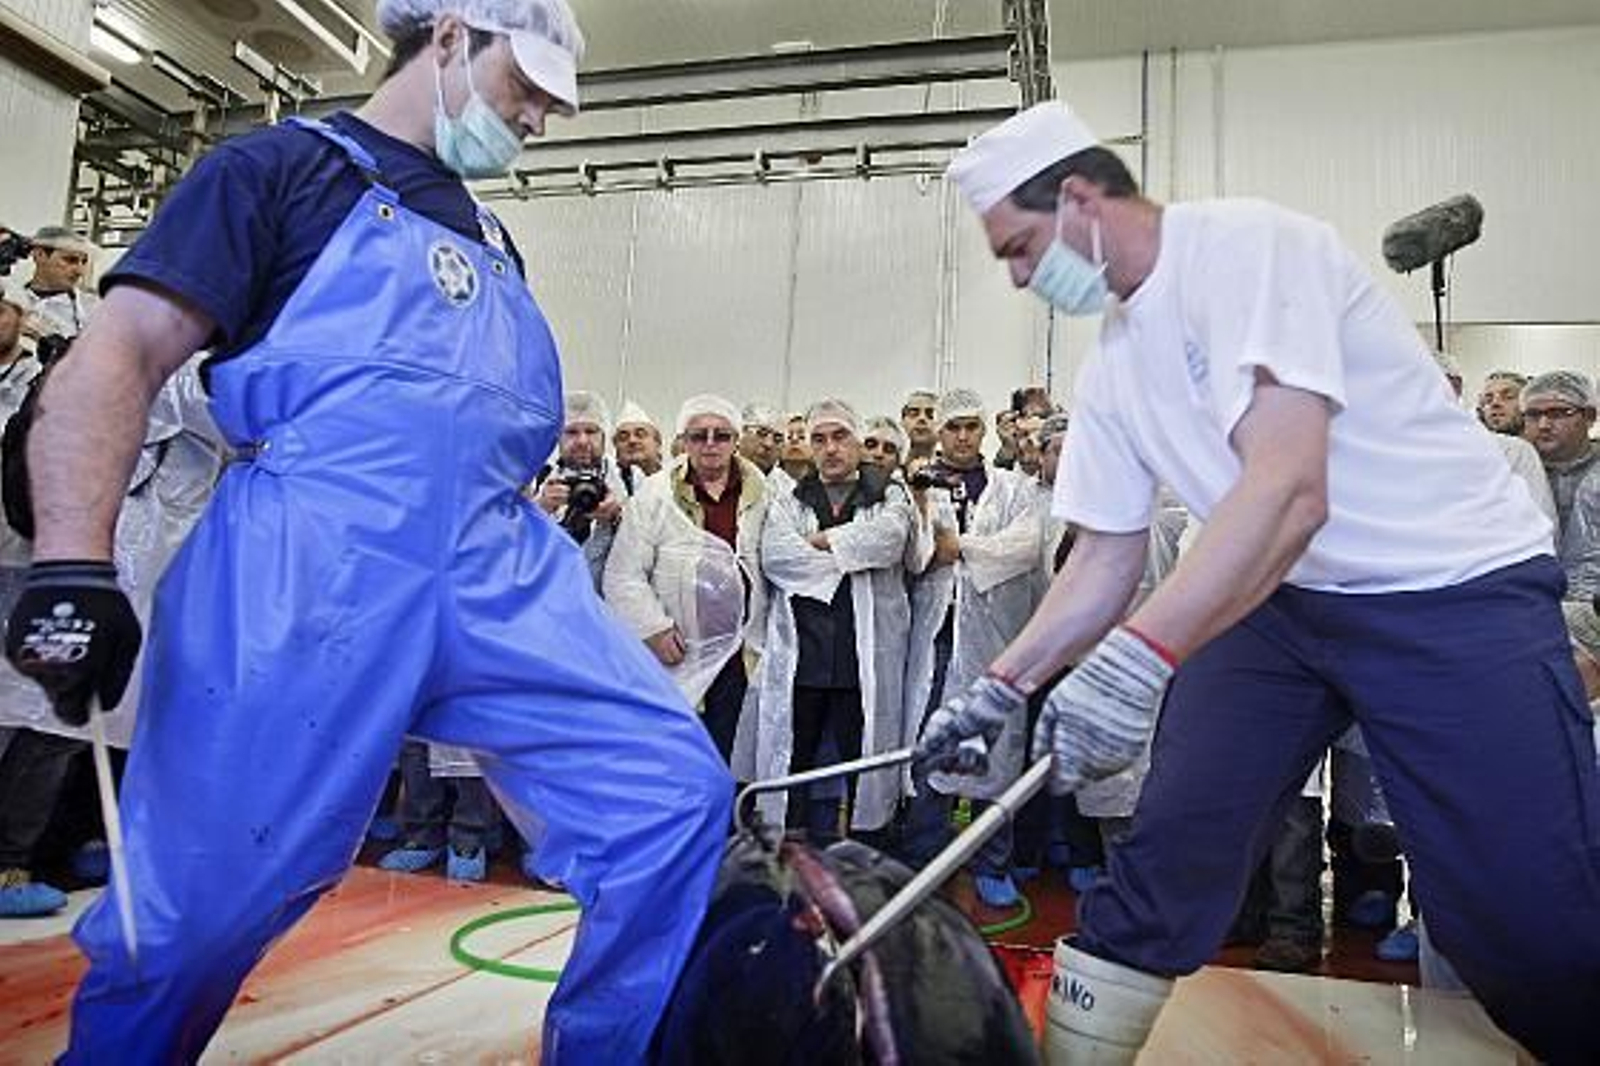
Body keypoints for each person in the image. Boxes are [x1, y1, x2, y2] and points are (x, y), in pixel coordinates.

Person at [3, 2, 730, 1061]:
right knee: (203, 907)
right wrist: (71, 562)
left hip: (496, 563)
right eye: (523, 87)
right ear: (445, 37)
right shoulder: (274, 171)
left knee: (669, 795)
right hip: (311, 559)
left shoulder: (495, 239)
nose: (538, 118)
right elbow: (116, 356)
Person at [916, 101, 1599, 1062]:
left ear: (1077, 198)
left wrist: (1141, 658)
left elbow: (1288, 489)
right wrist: (1003, 686)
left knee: (1528, 918)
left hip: (1448, 589)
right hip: (1279, 605)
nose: (1025, 277)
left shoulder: (1247, 249)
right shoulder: (1114, 364)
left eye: (1021, 248)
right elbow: (1105, 559)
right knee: (1168, 847)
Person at [749, 399, 913, 842]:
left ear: (858, 442)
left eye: (840, 437)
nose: (830, 449)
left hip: (863, 660)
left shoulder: (888, 494)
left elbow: (889, 540)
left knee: (866, 763)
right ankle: (791, 853)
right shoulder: (790, 498)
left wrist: (820, 541)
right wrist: (849, 555)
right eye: (818, 439)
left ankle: (867, 855)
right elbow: (779, 558)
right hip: (805, 657)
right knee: (793, 763)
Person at [604, 394, 769, 762]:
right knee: (673, 754)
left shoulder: (764, 493)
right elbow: (623, 573)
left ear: (736, 441)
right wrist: (654, 628)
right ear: (683, 441)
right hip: (675, 651)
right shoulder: (655, 495)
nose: (710, 444)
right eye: (699, 436)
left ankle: (725, 821)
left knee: (731, 756)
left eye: (721, 435)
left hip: (744, 655)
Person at [612, 399, 663, 490]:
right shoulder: (609, 486)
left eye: (640, 434)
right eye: (623, 437)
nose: (632, 440)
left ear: (658, 442)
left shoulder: (675, 485)